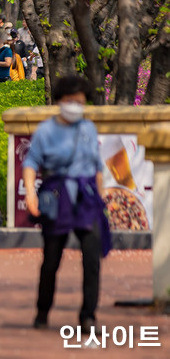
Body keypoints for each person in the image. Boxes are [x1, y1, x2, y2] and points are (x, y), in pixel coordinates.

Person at [23, 76, 111, 333]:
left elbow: (97, 166)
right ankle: (42, 310)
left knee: (92, 260)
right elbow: (30, 163)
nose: (75, 106)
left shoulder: (88, 128)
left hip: (86, 198)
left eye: (80, 102)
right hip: (58, 196)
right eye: (71, 101)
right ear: (61, 101)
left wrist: (101, 198)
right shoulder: (46, 131)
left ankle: (88, 315)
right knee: (51, 259)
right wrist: (30, 194)